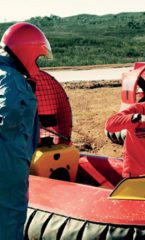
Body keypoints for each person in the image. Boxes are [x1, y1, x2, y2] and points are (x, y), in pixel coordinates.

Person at [0, 22, 52, 239]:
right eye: (38, 57)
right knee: (11, 217)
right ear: (27, 51)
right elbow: (7, 114)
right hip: (9, 163)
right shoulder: (13, 80)